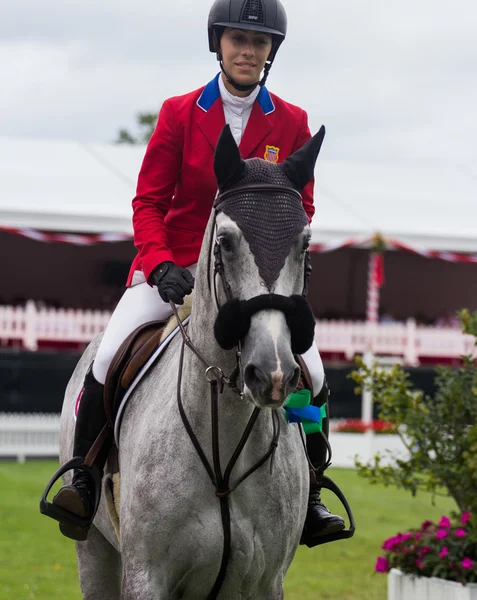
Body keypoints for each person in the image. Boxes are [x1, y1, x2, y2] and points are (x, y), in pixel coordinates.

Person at [42, 0, 346, 544]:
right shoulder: (180, 113)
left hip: (254, 279)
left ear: (272, 50)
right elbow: (149, 200)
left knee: (314, 376)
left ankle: (313, 494)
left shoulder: (294, 122)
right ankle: (84, 480)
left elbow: (302, 207)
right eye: (238, 40)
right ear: (218, 44)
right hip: (176, 267)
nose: (248, 51)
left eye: (258, 43)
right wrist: (159, 263)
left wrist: (270, 260)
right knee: (110, 353)